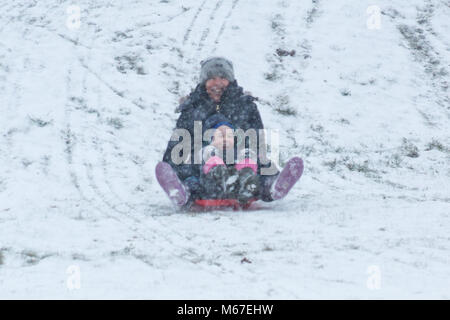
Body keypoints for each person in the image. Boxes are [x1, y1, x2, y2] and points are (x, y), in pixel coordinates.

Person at [163, 56, 280, 205]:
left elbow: (258, 142)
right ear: (204, 81)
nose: (217, 83)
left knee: (263, 165)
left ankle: (270, 187)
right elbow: (177, 146)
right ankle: (185, 192)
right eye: (211, 78)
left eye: (223, 78)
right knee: (186, 167)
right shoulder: (193, 108)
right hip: (203, 168)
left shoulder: (245, 106)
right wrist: (171, 170)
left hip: (241, 166)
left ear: (230, 80)